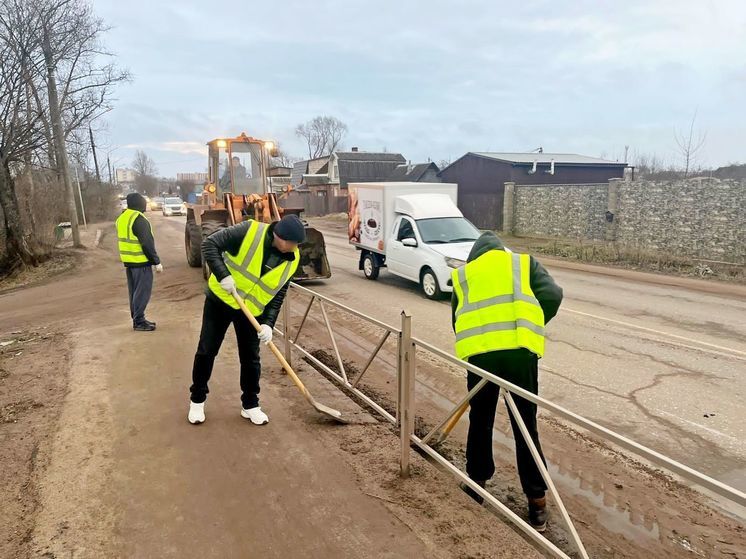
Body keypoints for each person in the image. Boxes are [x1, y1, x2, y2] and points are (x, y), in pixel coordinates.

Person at [451, 231, 563, 532]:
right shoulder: (523, 263)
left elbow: (457, 318)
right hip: (519, 355)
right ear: (500, 250)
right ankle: (537, 503)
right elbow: (553, 295)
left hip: (481, 357)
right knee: (525, 425)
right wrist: (531, 324)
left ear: (475, 256)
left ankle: (476, 483)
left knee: (481, 419)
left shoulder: (464, 274)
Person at [187, 214, 306, 426]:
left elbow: (277, 293)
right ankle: (197, 400)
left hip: (251, 311)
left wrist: (268, 323)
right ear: (279, 236)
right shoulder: (249, 231)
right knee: (207, 350)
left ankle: (250, 405)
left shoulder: (293, 258)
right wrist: (223, 274)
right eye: (292, 243)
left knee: (251, 358)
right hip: (222, 300)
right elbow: (209, 244)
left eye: (297, 244)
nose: (294, 247)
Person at [115, 193, 162, 331]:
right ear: (140, 204)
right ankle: (139, 321)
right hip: (141, 262)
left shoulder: (122, 218)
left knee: (134, 292)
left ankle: (137, 318)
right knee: (142, 293)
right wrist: (156, 261)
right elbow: (146, 243)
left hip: (129, 262)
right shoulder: (138, 219)